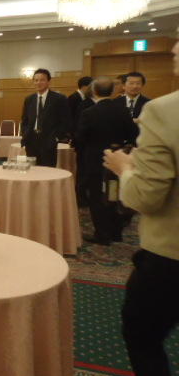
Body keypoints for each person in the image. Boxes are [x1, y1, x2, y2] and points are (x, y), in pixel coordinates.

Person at [103, 34, 179, 376]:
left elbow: (146, 198)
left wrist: (125, 169)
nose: (174, 50)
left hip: (171, 254)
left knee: (142, 335)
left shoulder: (164, 110)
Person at [75, 77, 138, 246]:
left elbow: (80, 138)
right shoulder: (123, 110)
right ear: (112, 91)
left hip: (95, 161)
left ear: (94, 91)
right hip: (117, 160)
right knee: (114, 196)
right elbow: (134, 135)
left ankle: (102, 234)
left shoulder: (89, 113)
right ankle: (116, 232)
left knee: (97, 198)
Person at [20, 68, 71, 167]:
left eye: (42, 80)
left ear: (49, 81)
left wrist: (56, 137)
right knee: (32, 170)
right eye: (36, 80)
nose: (38, 83)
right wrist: (25, 133)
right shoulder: (29, 99)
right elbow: (25, 120)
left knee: (48, 170)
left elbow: (66, 121)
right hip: (31, 141)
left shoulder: (59, 99)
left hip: (49, 141)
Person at [68, 76, 94, 206]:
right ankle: (80, 197)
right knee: (82, 170)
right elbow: (72, 119)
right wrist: (73, 136)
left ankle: (84, 195)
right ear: (85, 87)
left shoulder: (85, 99)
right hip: (79, 138)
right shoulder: (74, 98)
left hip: (84, 138)